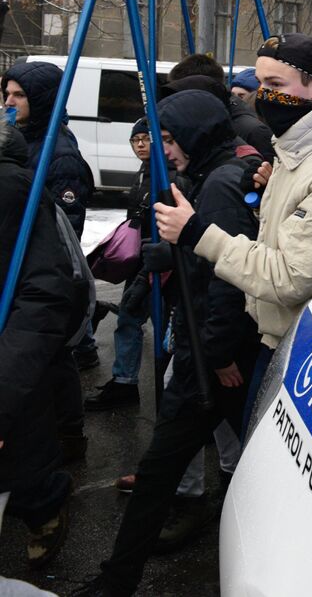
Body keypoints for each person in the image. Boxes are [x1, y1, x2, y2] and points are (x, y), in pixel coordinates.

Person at [152, 33, 312, 417]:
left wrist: (198, 232)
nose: (263, 95)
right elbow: (288, 242)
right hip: (285, 337)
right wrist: (265, 204)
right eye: (260, 84)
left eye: (276, 85)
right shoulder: (296, 148)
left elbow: (291, 277)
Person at [94, 90, 262, 596]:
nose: (162, 149)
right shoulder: (213, 177)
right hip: (209, 354)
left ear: (195, 133)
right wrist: (172, 255)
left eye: (169, 138)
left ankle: (117, 581)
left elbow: (229, 278)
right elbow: (208, 260)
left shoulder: (220, 186)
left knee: (159, 472)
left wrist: (218, 355)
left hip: (210, 359)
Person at [0, 123, 87, 571]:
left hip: (10, 354)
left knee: (22, 458)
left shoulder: (13, 188)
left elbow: (47, 291)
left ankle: (47, 508)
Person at [85, 122, 155, 411]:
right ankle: (124, 381)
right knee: (130, 315)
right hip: (143, 256)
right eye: (134, 140)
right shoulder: (144, 172)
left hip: (153, 259)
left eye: (145, 139)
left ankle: (125, 383)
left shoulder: (161, 173)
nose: (140, 145)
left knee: (129, 316)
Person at [2, 60, 94, 238]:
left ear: (41, 99)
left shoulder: (62, 155)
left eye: (19, 95)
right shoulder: (13, 138)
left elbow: (65, 227)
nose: (9, 102)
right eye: (7, 94)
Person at [167, 53, 276, 162]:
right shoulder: (197, 125)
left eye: (182, 95)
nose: (179, 102)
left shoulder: (253, 131)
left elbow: (266, 173)